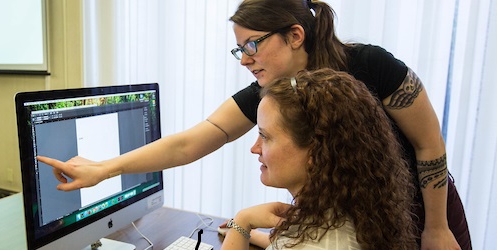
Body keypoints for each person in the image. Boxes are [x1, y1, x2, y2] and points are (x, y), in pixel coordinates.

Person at [37, 0, 471, 248]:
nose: (244, 59)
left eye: (251, 46)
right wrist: (104, 169)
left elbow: (430, 145)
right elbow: (191, 142)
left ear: (296, 35)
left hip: (419, 209)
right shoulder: (275, 93)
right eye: (238, 49)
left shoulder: (372, 65)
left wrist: (436, 228)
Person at [220, 69, 417, 249]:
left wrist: (242, 222)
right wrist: (249, 230)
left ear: (315, 152)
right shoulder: (352, 213)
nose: (255, 148)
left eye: (265, 136)